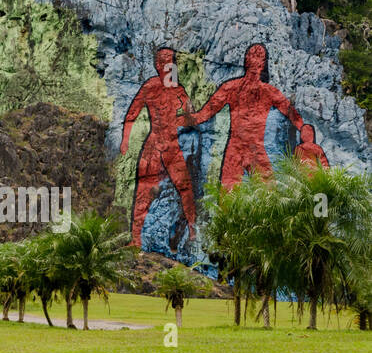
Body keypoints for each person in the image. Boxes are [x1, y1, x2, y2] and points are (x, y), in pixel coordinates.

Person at [183, 43, 306, 190]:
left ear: (263, 63)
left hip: (256, 148)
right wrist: (188, 118)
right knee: (227, 195)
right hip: (235, 148)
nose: (254, 60)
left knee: (270, 195)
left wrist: (306, 134)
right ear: (246, 60)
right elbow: (207, 112)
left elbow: (292, 114)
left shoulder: (269, 92)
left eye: (259, 56)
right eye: (252, 55)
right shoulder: (231, 87)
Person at [121, 47, 197, 247]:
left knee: (185, 187)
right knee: (144, 190)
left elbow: (190, 119)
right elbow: (131, 114)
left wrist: (186, 114)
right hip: (153, 144)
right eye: (163, 60)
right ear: (157, 65)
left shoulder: (178, 89)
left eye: (170, 60)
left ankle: (192, 230)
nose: (167, 64)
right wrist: (125, 141)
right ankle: (136, 238)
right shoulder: (150, 86)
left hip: (172, 146)